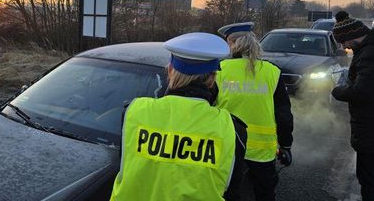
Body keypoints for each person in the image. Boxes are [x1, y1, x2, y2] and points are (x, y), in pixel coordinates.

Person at [110, 32, 247, 201]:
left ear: (170, 71)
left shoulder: (134, 112)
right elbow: (232, 193)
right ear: (212, 79)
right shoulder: (232, 130)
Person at [215, 22, 294, 201]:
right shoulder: (272, 72)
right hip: (263, 151)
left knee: (226, 193)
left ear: (233, 43)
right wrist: (286, 145)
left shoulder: (220, 70)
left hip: (228, 146)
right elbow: (283, 115)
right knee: (264, 194)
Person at [331, 11, 374, 201]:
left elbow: (364, 92)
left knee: (371, 181)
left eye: (343, 42)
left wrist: (337, 90)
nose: (343, 47)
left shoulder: (371, 53)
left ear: (351, 36)